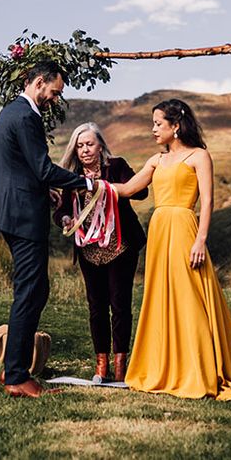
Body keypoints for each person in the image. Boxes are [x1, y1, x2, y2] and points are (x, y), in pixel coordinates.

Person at [112, 98, 231, 404]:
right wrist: (87, 185)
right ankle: (165, 365)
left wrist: (201, 240)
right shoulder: (156, 160)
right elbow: (127, 189)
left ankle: (199, 368)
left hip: (184, 228)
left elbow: (207, 201)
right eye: (153, 124)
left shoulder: (199, 156)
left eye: (158, 123)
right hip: (159, 231)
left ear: (176, 126)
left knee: (190, 296)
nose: (153, 129)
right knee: (161, 296)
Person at [0, 60, 96, 399]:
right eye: (55, 91)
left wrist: (45, 187)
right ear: (39, 82)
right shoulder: (27, 116)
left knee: (35, 289)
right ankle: (17, 376)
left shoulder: (10, 112)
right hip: (22, 215)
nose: (55, 99)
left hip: (11, 209)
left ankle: (14, 368)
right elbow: (44, 169)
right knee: (30, 292)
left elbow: (21, 167)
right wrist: (86, 182)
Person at [53, 123, 148, 382]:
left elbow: (141, 191)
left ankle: (120, 366)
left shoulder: (116, 166)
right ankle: (100, 366)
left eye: (89, 144)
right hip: (89, 251)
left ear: (100, 146)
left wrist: (108, 187)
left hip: (121, 247)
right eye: (80, 145)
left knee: (120, 305)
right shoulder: (71, 175)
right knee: (96, 307)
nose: (84, 150)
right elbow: (60, 210)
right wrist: (65, 220)